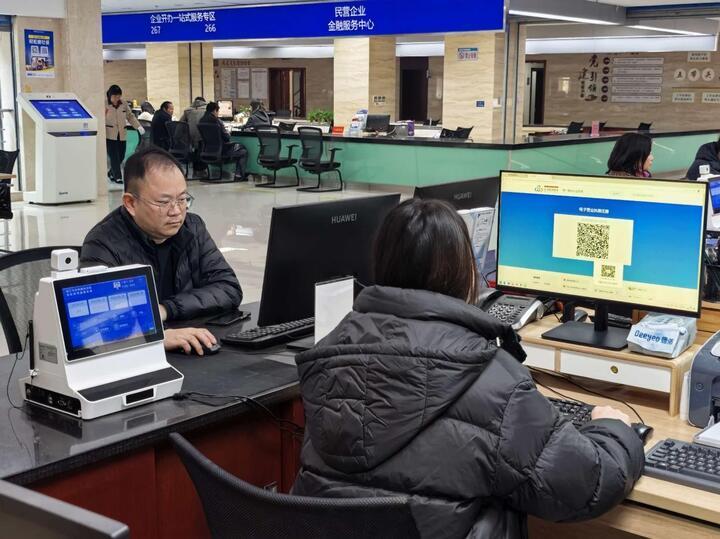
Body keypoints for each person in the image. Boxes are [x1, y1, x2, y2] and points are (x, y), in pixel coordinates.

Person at [291, 198, 645, 538]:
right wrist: (612, 428)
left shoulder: (329, 356)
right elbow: (587, 484)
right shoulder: (492, 381)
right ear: (465, 272)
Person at [81, 147, 243, 355]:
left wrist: (165, 309)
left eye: (182, 199)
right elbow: (101, 323)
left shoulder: (192, 227)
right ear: (131, 203)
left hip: (192, 343)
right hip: (139, 358)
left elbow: (228, 288)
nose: (176, 211)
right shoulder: (103, 243)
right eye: (163, 202)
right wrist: (155, 336)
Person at [199, 102, 248, 181]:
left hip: (206, 151)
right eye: (218, 111)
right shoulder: (217, 121)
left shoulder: (201, 121)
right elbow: (226, 138)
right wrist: (228, 133)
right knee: (243, 151)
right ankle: (239, 176)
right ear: (215, 111)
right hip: (221, 152)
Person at [106, 85, 144, 184]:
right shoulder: (105, 104)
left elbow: (130, 116)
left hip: (121, 134)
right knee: (114, 156)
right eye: (115, 96)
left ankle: (111, 173)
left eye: (119, 96)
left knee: (121, 155)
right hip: (109, 134)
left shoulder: (123, 104)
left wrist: (138, 126)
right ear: (110, 95)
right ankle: (118, 177)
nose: (117, 99)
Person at [180, 96, 209, 175]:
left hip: (191, 137)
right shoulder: (207, 110)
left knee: (195, 148)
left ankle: (196, 170)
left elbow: (180, 123)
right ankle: (202, 170)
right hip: (203, 136)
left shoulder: (187, 110)